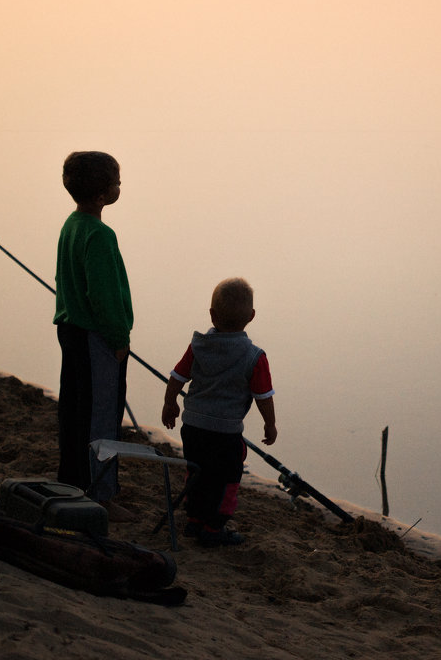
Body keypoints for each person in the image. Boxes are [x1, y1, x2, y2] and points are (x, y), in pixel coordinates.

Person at [161, 277, 276, 547]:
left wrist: (170, 403)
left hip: (193, 427)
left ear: (211, 314)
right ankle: (214, 527)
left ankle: (195, 520)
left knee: (197, 469)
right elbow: (264, 397)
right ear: (251, 316)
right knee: (226, 477)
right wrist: (270, 425)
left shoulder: (198, 345)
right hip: (225, 432)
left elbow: (177, 377)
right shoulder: (254, 356)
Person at [53, 151, 136, 522]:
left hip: (70, 332)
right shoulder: (101, 235)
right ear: (103, 195)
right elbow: (103, 296)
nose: (121, 186)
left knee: (74, 412)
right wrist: (119, 340)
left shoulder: (71, 225)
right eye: (116, 182)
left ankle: (72, 482)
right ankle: (100, 496)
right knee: (101, 417)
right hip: (95, 338)